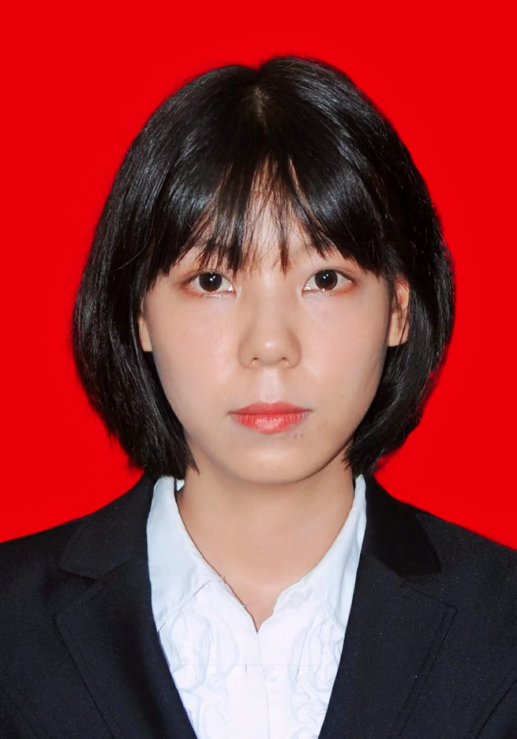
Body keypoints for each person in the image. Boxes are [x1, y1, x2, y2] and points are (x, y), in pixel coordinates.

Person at [0, 56, 515, 739]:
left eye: (324, 279)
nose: (269, 345)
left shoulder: (501, 626)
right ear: (141, 315)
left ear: (397, 309)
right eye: (213, 281)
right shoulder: (13, 626)